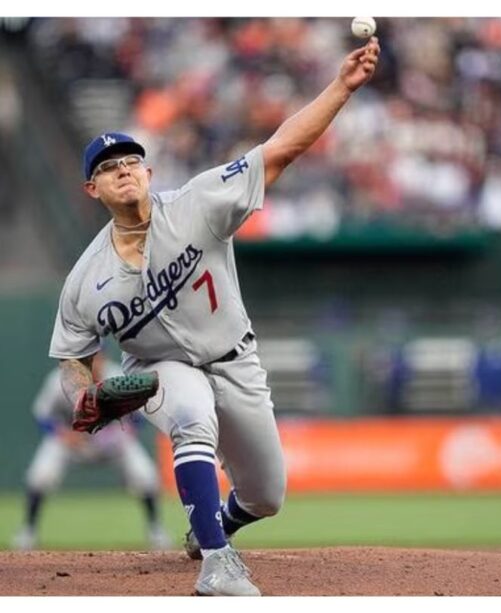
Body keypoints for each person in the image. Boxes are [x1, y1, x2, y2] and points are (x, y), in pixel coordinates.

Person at [48, 38, 380, 596]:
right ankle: (218, 566)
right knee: (191, 413)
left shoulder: (199, 201)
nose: (123, 170)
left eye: (131, 160)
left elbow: (278, 151)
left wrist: (341, 87)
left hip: (236, 358)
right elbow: (73, 359)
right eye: (109, 167)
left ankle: (213, 527)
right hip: (160, 368)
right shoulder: (84, 278)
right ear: (92, 188)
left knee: (266, 495)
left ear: (149, 172)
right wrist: (85, 395)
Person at [10, 356, 171, 552]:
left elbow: (140, 416)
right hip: (72, 440)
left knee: (145, 475)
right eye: (85, 358)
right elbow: (43, 415)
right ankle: (28, 531)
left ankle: (156, 530)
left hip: (112, 441)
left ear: (102, 358)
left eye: (96, 357)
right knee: (40, 475)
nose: (92, 362)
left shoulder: (116, 376)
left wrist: (126, 430)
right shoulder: (59, 380)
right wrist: (62, 434)